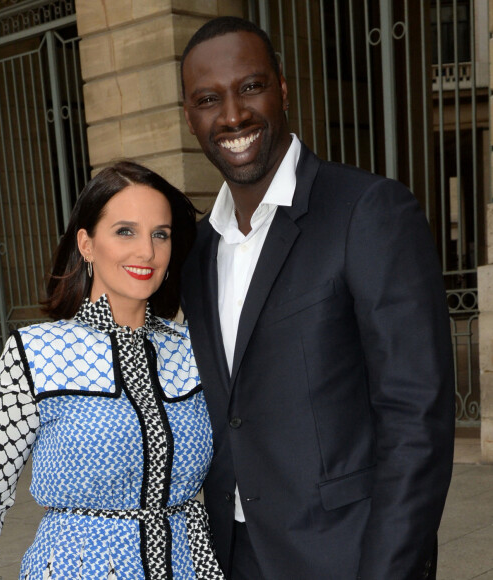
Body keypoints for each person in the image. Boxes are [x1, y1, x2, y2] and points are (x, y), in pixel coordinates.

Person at [180, 16, 455, 580]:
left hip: (345, 557)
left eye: (249, 87)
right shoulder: (198, 249)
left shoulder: (368, 211)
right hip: (231, 557)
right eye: (209, 99)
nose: (232, 116)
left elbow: (416, 420)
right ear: (190, 116)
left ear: (282, 88)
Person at [0, 160, 225, 579]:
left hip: (188, 568)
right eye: (125, 231)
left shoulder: (193, 349)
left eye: (159, 234)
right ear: (87, 244)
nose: (146, 251)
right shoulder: (36, 353)